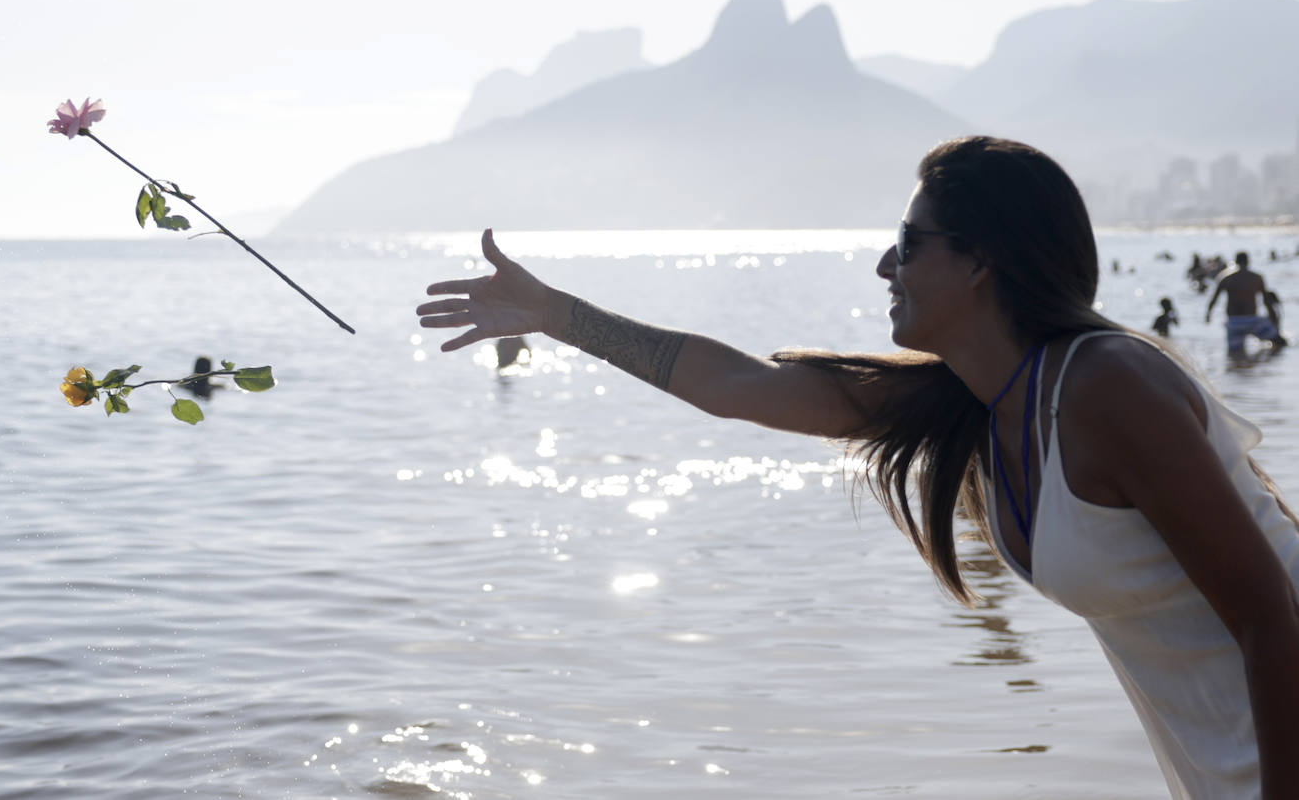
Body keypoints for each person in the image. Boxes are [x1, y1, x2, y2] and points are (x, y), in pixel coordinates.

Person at [418, 136, 1299, 799]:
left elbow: (1272, 613)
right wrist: (557, 315)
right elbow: (736, 386)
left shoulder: (1109, 385)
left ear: (981, 259)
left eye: (909, 242)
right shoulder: (976, 404)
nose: (886, 263)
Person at [1204, 252, 1288, 356]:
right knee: (1281, 343)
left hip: (1234, 323)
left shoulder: (1225, 277)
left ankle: (1239, 369)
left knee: (1234, 355)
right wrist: (1273, 320)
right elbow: (1266, 301)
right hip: (1252, 321)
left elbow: (1214, 299)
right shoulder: (1256, 277)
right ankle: (1264, 366)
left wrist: (1208, 315)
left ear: (1235, 262)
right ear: (1248, 261)